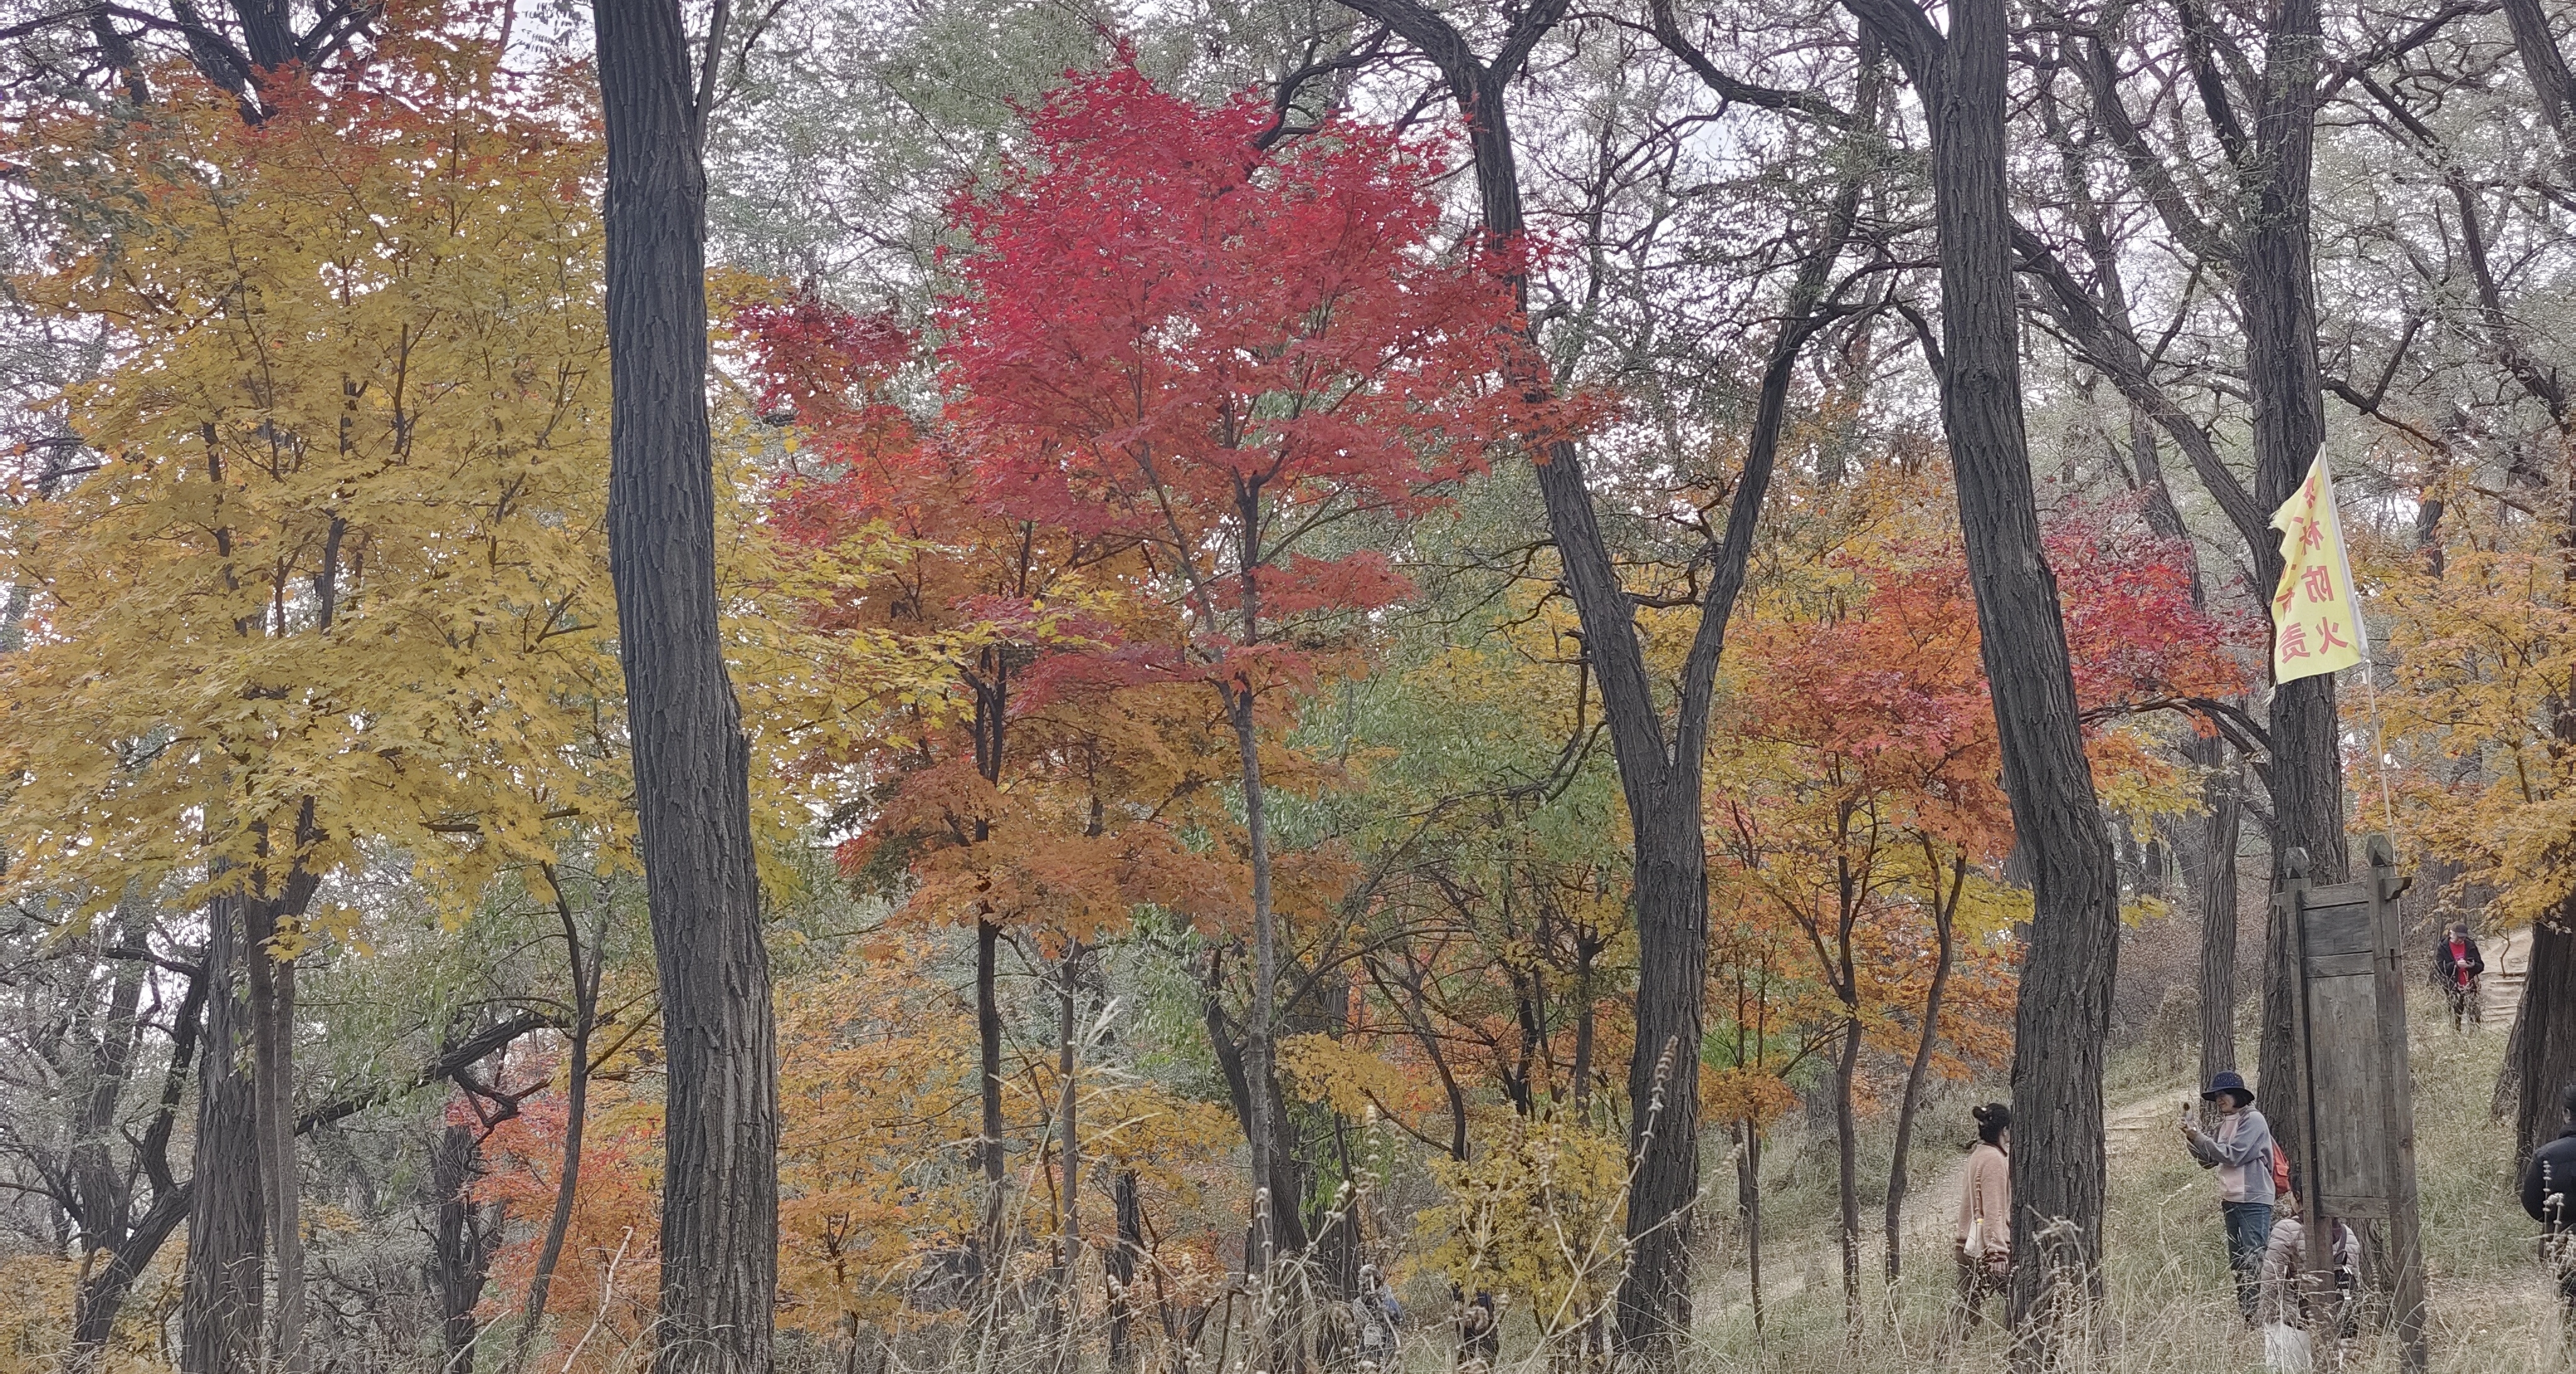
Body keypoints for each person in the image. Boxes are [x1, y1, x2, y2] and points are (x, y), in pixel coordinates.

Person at [2183, 1069, 2278, 1321]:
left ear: (2238, 1095)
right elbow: (2209, 1161)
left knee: (2254, 1260)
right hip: (2231, 1201)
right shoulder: (2224, 1124)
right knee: (2238, 1262)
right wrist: (2191, 1139)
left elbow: (2233, 1155)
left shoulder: (2254, 1120)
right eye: (2216, 1096)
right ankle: (2248, 1317)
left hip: (2254, 1201)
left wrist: (2199, 1137)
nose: (2219, 1099)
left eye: (2224, 1094)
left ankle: (2261, 1316)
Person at [1952, 1103, 2011, 1335]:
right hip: (1986, 1252)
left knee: (1965, 1315)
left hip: (1967, 1248)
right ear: (2005, 1130)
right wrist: (1998, 1252)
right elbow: (1993, 1208)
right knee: (2023, 1305)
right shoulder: (1994, 1160)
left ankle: (1941, 1354)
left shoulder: (1979, 1154)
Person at [2519, 1082, 2576, 1316]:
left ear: (2566, 1114)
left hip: (2560, 1242)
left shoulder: (2546, 1155)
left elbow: (2532, 1204)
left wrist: (2557, 1214)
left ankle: (2567, 1336)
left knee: (2569, 1301)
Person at [2434, 923, 2485, 1031]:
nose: (2461, 940)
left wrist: (2472, 966)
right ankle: (2456, 1035)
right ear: (2451, 934)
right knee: (2455, 1015)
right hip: (2453, 987)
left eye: (2463, 937)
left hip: (2470, 986)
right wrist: (2456, 965)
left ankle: (2476, 1035)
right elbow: (2440, 968)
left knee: (2475, 1015)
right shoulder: (2443, 947)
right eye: (2458, 937)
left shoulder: (2470, 945)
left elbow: (2481, 966)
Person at [1352, 1264, 1402, 1369]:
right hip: (1386, 1350)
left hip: (1367, 1352)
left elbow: (1358, 1327)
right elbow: (1400, 1319)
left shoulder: (1358, 1303)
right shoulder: (1388, 1300)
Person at [1451, 1287, 1499, 1371]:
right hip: (1469, 1322)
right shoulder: (1461, 1279)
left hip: (1488, 1321)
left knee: (1490, 1354)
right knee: (1468, 1354)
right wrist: (1464, 1310)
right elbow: (1456, 1293)